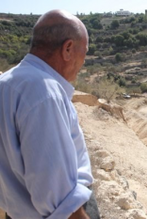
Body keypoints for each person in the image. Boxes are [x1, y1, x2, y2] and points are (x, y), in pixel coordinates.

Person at [0, 10, 100, 219]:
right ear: (68, 48)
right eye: (85, 52)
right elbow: (60, 199)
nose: (83, 62)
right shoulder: (45, 94)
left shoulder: (7, 82)